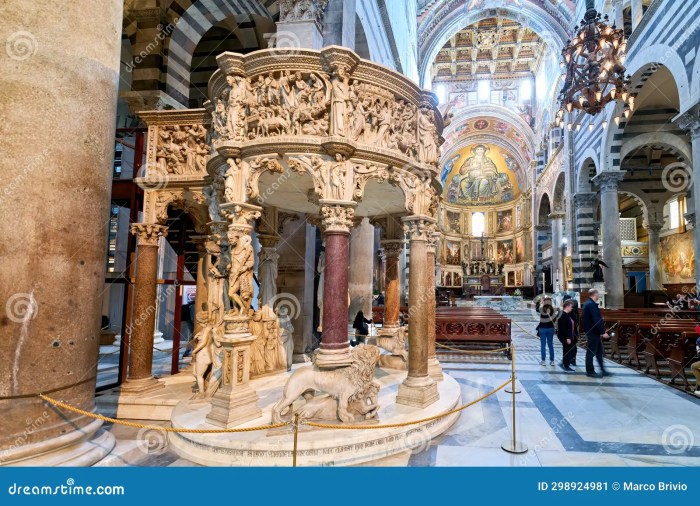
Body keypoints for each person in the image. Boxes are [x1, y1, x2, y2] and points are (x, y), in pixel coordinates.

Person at [581, 288, 611, 378]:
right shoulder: (591, 305)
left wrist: (601, 331)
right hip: (593, 332)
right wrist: (602, 332)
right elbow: (596, 319)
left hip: (593, 332)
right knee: (591, 352)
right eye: (598, 294)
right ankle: (590, 371)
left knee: (599, 352)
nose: (599, 296)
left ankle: (603, 370)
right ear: (594, 294)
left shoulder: (589, 303)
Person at [538, 296, 558, 366]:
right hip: (550, 328)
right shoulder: (553, 310)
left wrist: (541, 303)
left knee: (543, 345)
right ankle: (552, 361)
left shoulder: (541, 308)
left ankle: (543, 360)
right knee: (550, 345)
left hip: (542, 328)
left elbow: (538, 309)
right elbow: (555, 319)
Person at [557, 300, 577, 371]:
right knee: (568, 350)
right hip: (565, 336)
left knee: (569, 350)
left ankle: (565, 363)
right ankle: (566, 365)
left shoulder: (568, 314)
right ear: (567, 306)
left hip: (570, 336)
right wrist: (567, 338)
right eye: (571, 307)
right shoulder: (562, 315)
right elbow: (563, 328)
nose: (572, 308)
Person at [562, 294, 580, 366]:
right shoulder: (574, 310)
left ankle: (569, 360)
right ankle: (571, 359)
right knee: (572, 346)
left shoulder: (571, 311)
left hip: (571, 331)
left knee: (569, 346)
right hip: (572, 331)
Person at [181, 292, 196, 358]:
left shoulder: (192, 305)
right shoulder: (194, 306)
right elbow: (193, 318)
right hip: (191, 322)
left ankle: (188, 351)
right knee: (193, 336)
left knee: (192, 336)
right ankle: (188, 351)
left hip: (190, 321)